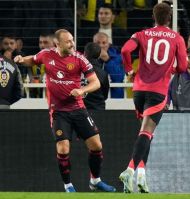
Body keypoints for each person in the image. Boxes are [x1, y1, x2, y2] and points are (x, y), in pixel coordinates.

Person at [14, 29, 116, 193]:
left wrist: (82, 91)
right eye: (68, 41)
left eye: (72, 40)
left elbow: (95, 83)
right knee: (63, 148)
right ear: (57, 43)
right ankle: (68, 186)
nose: (72, 43)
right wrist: (20, 59)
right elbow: (32, 60)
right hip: (58, 111)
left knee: (96, 146)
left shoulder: (79, 58)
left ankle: (95, 181)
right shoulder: (46, 55)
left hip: (78, 109)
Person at [119, 3, 188, 193]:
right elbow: (183, 67)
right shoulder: (177, 38)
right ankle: (130, 170)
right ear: (170, 18)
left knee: (145, 132)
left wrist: (129, 70)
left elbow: (125, 50)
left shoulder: (142, 34)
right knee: (147, 132)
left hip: (139, 90)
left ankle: (142, 176)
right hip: (158, 91)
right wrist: (170, 69)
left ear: (153, 16)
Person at [93, 32, 125, 98]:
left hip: (115, 99)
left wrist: (108, 60)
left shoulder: (118, 57)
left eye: (104, 43)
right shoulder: (87, 58)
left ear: (108, 44)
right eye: (97, 43)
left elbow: (119, 78)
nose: (101, 45)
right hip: (94, 99)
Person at [83, 42, 109, 110]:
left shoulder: (76, 70)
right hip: (98, 109)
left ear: (85, 54)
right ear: (99, 55)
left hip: (79, 110)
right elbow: (105, 95)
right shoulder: (103, 73)